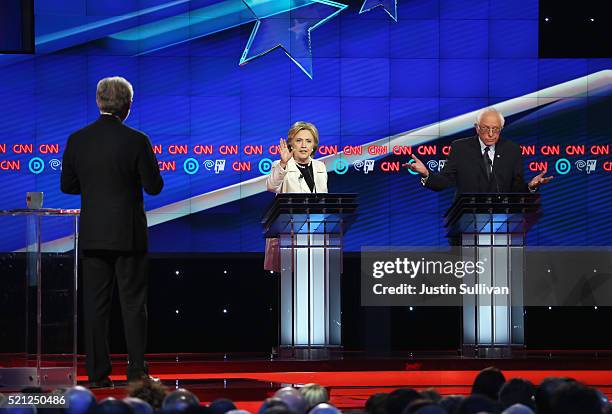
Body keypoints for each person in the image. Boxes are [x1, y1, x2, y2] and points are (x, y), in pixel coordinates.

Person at [61, 76, 163, 387]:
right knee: (133, 304)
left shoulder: (78, 139)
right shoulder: (137, 140)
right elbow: (154, 187)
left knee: (95, 307)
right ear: (128, 106)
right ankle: (136, 372)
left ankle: (97, 375)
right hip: (128, 235)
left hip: (93, 235)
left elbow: (67, 186)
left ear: (98, 102)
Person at [406, 107, 553, 196]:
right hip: (466, 218)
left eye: (495, 129)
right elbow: (443, 182)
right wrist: (426, 173)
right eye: (485, 128)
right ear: (477, 128)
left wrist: (530, 187)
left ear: (501, 129)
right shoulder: (460, 148)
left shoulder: (512, 150)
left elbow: (515, 189)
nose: (490, 133)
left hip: (501, 220)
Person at [264, 121, 328, 272]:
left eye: (308, 141)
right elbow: (272, 186)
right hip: (287, 234)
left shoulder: (320, 167)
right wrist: (283, 164)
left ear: (314, 145)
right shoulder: (280, 165)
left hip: (313, 233)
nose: (304, 145)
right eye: (299, 141)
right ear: (291, 144)